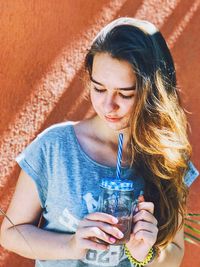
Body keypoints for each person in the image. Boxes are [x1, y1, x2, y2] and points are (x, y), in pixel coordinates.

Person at [0, 17, 199, 267]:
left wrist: (144, 254)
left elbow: (175, 253)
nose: (108, 106)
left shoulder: (167, 158)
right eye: (99, 88)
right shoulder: (55, 147)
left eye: (125, 93)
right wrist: (71, 246)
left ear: (154, 93)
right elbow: (10, 233)